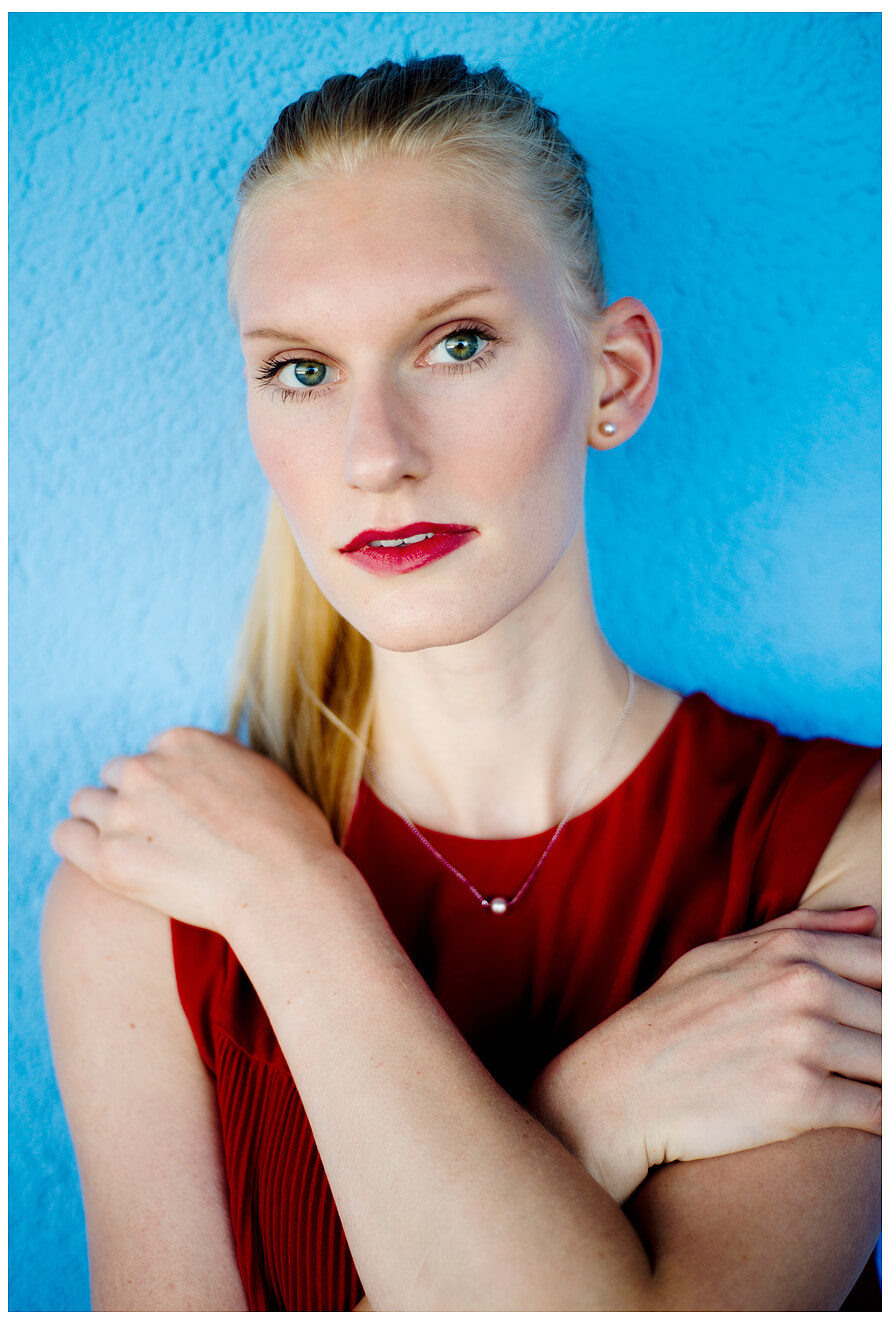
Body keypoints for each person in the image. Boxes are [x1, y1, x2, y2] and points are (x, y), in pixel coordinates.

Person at [42, 56, 881, 1311]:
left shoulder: (841, 857)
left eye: (457, 342)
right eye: (302, 371)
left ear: (613, 379)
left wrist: (293, 909)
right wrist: (580, 1114)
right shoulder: (154, 899)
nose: (375, 456)